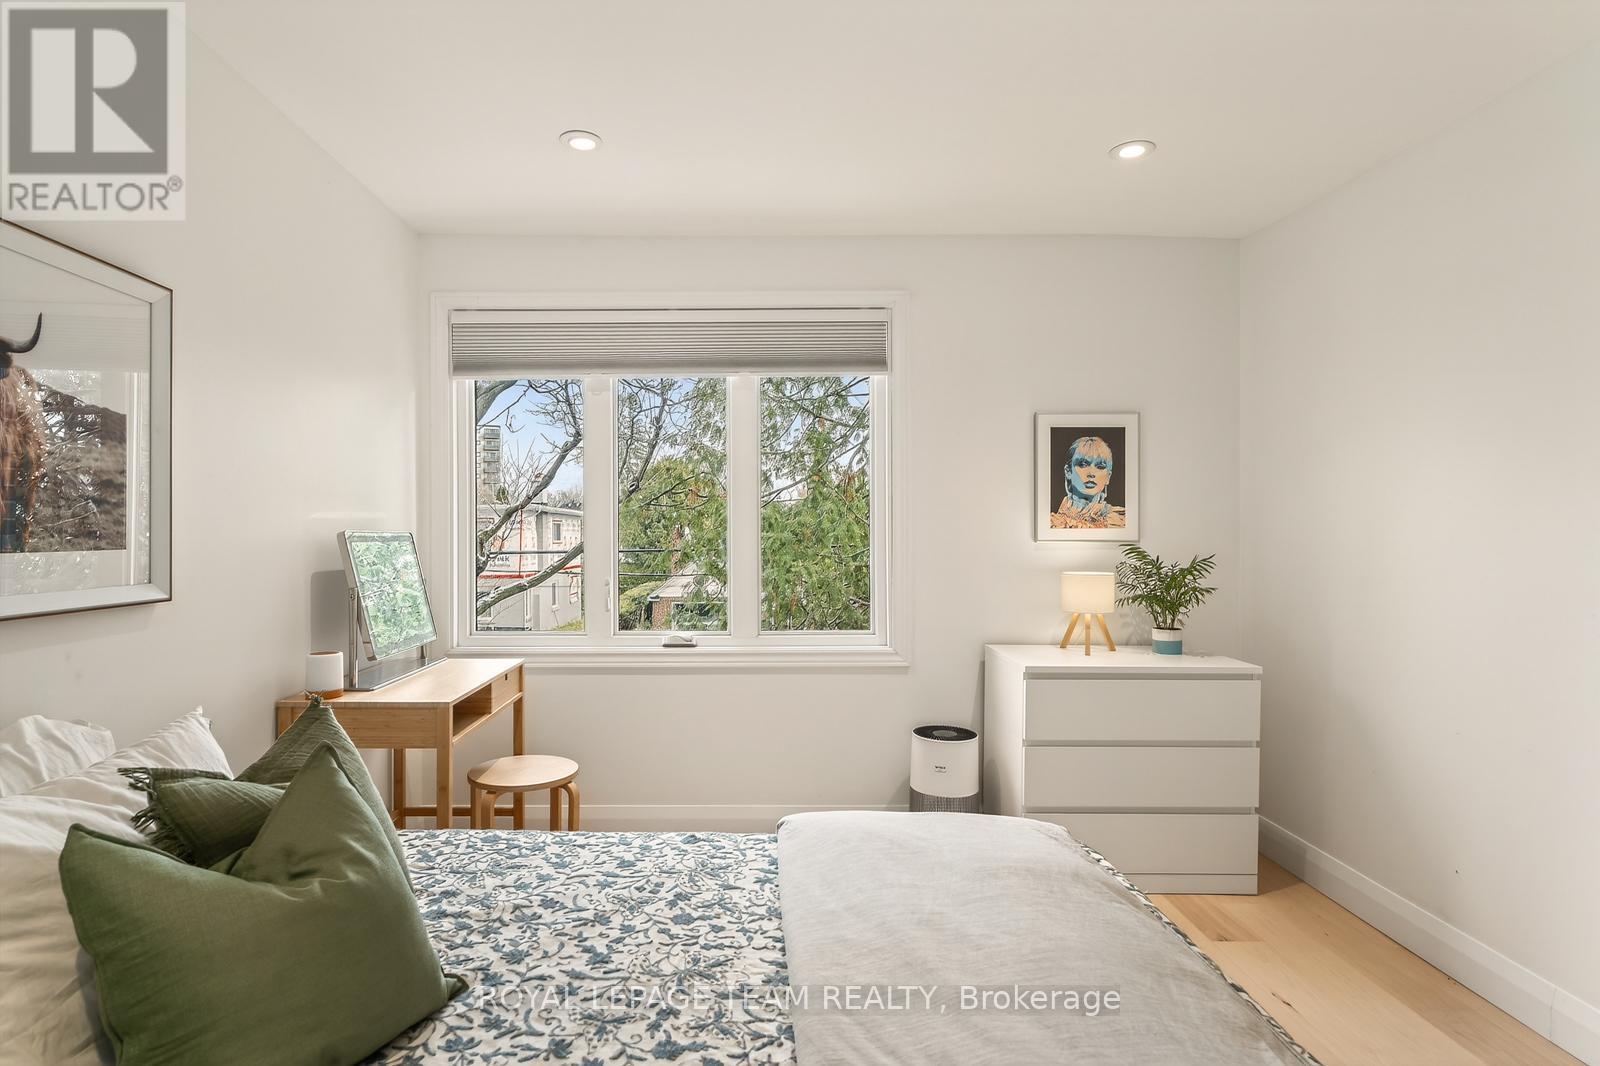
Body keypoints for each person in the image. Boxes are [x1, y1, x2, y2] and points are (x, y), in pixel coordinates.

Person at [1051, 435, 1126, 528]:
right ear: (1068, 471)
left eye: (1100, 467)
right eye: (1083, 464)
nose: (1091, 473)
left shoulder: (1121, 521)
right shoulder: (1050, 524)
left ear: (1108, 477)